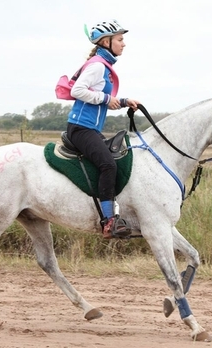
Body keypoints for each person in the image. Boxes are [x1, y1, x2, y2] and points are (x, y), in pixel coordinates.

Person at [66, 19, 140, 239]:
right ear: (106, 42)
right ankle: (108, 222)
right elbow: (77, 91)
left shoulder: (103, 65)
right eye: (120, 39)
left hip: (90, 129)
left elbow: (103, 99)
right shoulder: (98, 65)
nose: (123, 44)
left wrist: (124, 101)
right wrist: (107, 98)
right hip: (81, 128)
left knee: (113, 161)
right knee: (108, 165)